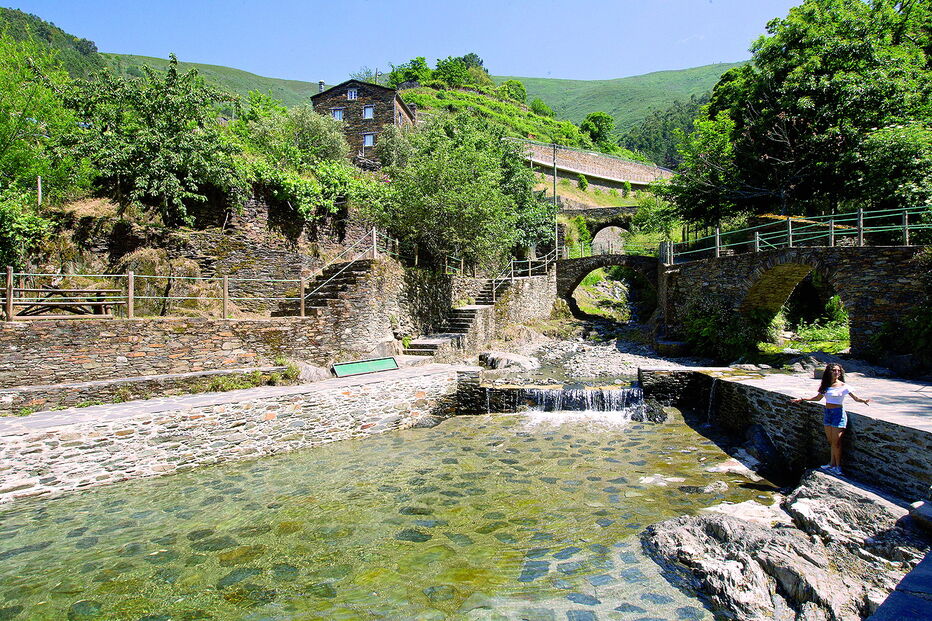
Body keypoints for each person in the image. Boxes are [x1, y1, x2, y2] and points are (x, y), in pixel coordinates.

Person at [791, 362, 870, 475]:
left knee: (837, 442)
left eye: (838, 370)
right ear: (829, 372)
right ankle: (831, 464)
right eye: (834, 370)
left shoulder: (844, 386)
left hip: (838, 414)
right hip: (828, 413)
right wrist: (803, 399)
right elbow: (818, 398)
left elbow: (855, 398)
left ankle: (838, 467)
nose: (836, 372)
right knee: (831, 441)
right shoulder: (826, 385)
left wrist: (863, 401)